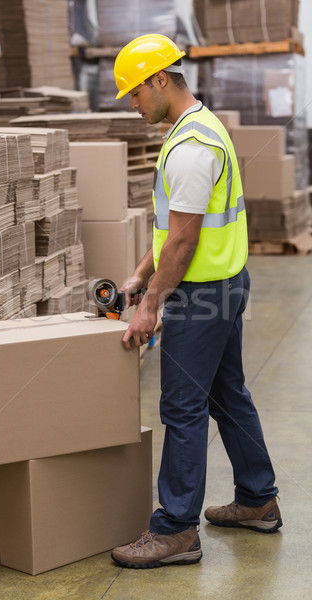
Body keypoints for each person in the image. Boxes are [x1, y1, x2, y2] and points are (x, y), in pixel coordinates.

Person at [111, 34, 281, 570]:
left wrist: (150, 306)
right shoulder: (201, 127)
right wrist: (141, 274)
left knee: (182, 408)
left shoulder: (189, 149)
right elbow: (172, 231)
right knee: (227, 395)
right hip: (226, 281)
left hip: (200, 293)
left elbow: (183, 242)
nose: (133, 105)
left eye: (134, 93)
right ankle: (258, 499)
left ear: (160, 79)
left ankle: (176, 531)